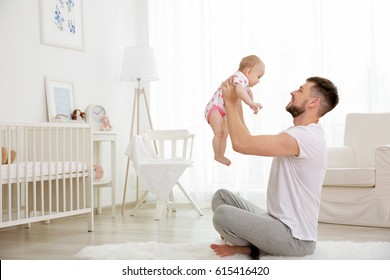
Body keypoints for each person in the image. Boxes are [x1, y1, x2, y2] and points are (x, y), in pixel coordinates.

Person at [210, 76, 339, 258]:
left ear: (313, 102)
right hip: (274, 221)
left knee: (223, 215)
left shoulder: (307, 137)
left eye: (301, 90)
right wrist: (237, 102)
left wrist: (230, 102)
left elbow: (241, 144)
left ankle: (249, 248)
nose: (293, 92)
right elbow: (246, 137)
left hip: (295, 238)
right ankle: (255, 244)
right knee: (221, 197)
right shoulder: (300, 134)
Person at [204, 55, 265, 166]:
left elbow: (248, 92)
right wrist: (251, 103)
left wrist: (252, 104)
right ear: (249, 71)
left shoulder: (243, 82)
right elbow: (240, 92)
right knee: (219, 132)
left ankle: (220, 155)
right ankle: (218, 155)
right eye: (258, 77)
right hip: (215, 107)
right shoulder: (239, 77)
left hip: (222, 109)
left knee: (225, 132)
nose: (259, 81)